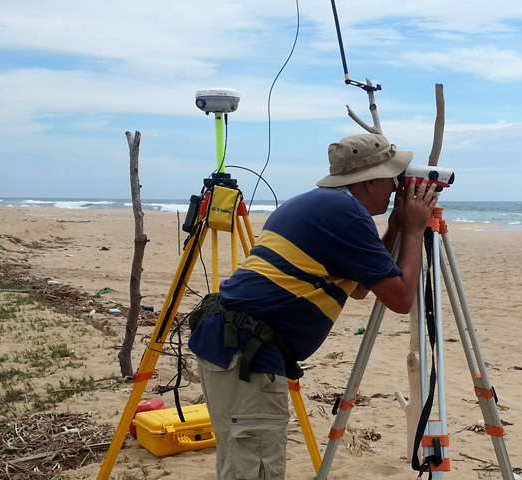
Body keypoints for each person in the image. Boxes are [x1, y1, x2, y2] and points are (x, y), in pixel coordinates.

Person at [187, 133, 438, 480]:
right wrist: (414, 230)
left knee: (239, 462)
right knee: (254, 466)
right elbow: (401, 299)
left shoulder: (319, 204)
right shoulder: (346, 214)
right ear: (367, 182)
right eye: (392, 178)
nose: (397, 187)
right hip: (248, 356)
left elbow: (361, 289)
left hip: (230, 344)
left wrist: (395, 229)